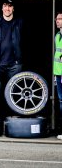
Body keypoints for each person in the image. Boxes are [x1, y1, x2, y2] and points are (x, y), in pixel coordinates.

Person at [0, 0, 23, 90]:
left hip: (15, 64)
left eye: (10, 6)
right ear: (2, 8)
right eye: (5, 6)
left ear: (13, 8)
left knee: (13, 91)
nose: (7, 8)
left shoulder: (19, 23)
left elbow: (25, 41)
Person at [54, 12, 62, 140]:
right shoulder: (57, 35)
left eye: (60, 19)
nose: (57, 20)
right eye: (57, 18)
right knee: (61, 101)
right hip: (58, 73)